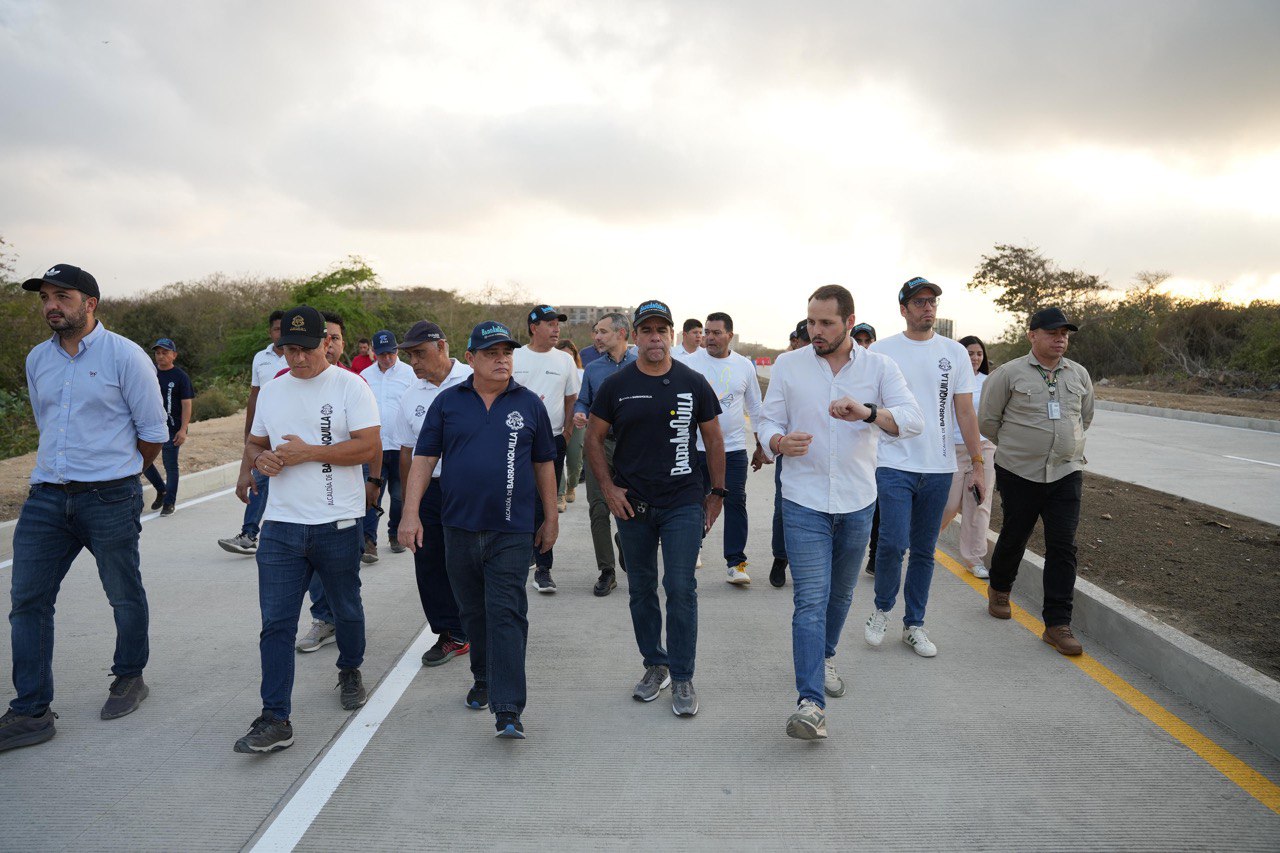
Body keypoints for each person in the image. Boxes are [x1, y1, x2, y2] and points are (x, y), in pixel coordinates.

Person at [2, 264, 168, 752]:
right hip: (47, 498)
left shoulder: (126, 356)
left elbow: (153, 433)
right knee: (27, 601)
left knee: (122, 591)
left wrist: (117, 472)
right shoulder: (38, 359)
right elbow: (44, 420)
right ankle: (31, 710)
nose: (52, 305)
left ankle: (129, 676)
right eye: (46, 297)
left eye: (63, 296)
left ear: (90, 303)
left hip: (110, 496)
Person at [758, 284, 921, 741]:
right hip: (802, 499)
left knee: (840, 596)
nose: (816, 331)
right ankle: (811, 703)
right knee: (809, 598)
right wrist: (776, 442)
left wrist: (868, 413)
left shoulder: (879, 367)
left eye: (826, 323)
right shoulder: (789, 365)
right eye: (811, 321)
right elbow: (769, 420)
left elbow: (912, 420)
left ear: (849, 322)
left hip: (857, 500)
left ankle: (825, 656)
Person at [232, 305, 381, 754]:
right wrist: (260, 461)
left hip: (337, 522)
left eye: (305, 349)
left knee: (346, 608)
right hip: (281, 525)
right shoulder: (274, 391)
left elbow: (369, 447)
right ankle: (275, 717)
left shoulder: (350, 385)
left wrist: (309, 453)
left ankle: (350, 669)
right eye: (288, 350)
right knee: (275, 623)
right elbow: (255, 442)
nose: (296, 359)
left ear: (326, 344)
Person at [400, 321, 558, 739]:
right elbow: (423, 459)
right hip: (458, 527)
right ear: (470, 359)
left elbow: (544, 463)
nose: (501, 359)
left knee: (506, 612)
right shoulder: (448, 403)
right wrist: (409, 513)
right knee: (473, 613)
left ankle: (508, 708)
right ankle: (485, 679)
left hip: (512, 530)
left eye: (506, 352)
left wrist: (551, 517)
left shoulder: (530, 405)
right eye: (491, 353)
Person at [587, 299, 724, 717]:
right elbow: (593, 440)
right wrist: (609, 489)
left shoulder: (693, 382)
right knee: (642, 589)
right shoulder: (616, 385)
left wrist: (717, 493)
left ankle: (682, 675)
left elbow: (714, 440)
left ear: (670, 336)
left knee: (681, 588)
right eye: (647, 331)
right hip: (633, 505)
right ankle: (655, 664)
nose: (655, 338)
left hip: (683, 501)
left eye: (661, 331)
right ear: (636, 336)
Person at [864, 277, 985, 659]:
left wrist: (977, 462)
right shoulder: (882, 353)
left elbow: (964, 410)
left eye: (931, 301)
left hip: (938, 465)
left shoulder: (954, 353)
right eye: (918, 302)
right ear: (903, 309)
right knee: (893, 542)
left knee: (923, 550)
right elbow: (868, 410)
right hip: (893, 462)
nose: (927, 307)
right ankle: (882, 609)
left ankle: (914, 623)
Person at [980, 307, 1094, 656]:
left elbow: (1085, 417)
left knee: (1063, 546)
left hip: (1066, 472)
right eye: (1052, 332)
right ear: (1032, 335)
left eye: (1065, 333)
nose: (1060, 338)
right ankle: (1000, 587)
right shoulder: (1008, 374)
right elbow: (988, 421)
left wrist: (1060, 445)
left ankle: (1057, 623)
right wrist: (1021, 447)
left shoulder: (1079, 375)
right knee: (1016, 534)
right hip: (1019, 473)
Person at [388, 321, 473, 667]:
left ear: (442, 347)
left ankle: (480, 626)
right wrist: (412, 502)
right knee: (429, 561)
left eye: (420, 353)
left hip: (472, 488)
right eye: (409, 356)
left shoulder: (474, 379)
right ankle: (451, 633)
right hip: (432, 489)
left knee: (470, 560)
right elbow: (407, 451)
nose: (415, 363)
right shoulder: (412, 394)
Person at [686, 312, 763, 585]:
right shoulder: (689, 362)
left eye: (716, 332)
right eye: (707, 332)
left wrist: (761, 444)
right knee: (693, 500)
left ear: (730, 335)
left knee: (735, 500)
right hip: (694, 447)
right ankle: (692, 546)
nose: (709, 337)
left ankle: (736, 563)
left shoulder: (744, 366)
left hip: (733, 449)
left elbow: (754, 407)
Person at [513, 305, 581, 593]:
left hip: (551, 440)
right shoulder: (515, 356)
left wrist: (566, 433)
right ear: (533, 327)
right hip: (515, 440)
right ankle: (517, 558)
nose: (556, 329)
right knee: (514, 498)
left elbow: (571, 399)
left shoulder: (564, 361)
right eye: (550, 324)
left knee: (546, 502)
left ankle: (543, 568)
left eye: (558, 325)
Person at [572, 312, 637, 596]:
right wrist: (579, 413)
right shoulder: (594, 369)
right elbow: (583, 400)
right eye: (595, 332)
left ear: (621, 334)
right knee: (598, 507)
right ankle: (606, 570)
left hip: (635, 447)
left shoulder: (642, 365)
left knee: (633, 507)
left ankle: (627, 546)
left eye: (602, 332)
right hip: (599, 444)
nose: (596, 337)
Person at [218, 310, 287, 555]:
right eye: (276, 329)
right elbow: (254, 396)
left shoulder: (297, 355)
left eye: (284, 328)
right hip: (264, 429)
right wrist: (249, 433)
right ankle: (249, 534)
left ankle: (260, 534)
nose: (280, 333)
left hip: (290, 430)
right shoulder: (261, 358)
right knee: (261, 478)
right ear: (270, 332)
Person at [939, 336, 997, 578]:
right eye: (969, 353)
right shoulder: (948, 379)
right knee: (949, 503)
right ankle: (922, 541)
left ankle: (974, 558)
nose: (974, 358)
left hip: (982, 448)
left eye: (978, 354)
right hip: (951, 449)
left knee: (979, 505)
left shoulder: (990, 383)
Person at [360, 329, 416, 561]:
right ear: (374, 353)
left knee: (400, 495)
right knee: (372, 494)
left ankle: (394, 533)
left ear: (397, 350)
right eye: (382, 354)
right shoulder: (364, 376)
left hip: (402, 446)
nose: (387, 358)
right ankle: (369, 541)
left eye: (391, 353)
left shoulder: (410, 374)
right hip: (374, 448)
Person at [766, 319, 812, 588]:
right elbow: (772, 414)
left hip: (826, 453)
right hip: (790, 451)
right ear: (796, 341)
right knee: (783, 507)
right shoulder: (787, 366)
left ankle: (804, 561)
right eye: (804, 339)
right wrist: (775, 442)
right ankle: (780, 557)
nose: (808, 344)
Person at [141, 337, 195, 516]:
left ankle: (169, 502)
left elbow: (187, 404)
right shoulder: (149, 373)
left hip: (172, 427)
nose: (160, 356)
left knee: (170, 465)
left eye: (165, 353)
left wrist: (183, 429)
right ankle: (161, 489)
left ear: (174, 355)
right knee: (142, 461)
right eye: (157, 353)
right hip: (149, 426)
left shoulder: (180, 377)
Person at [850, 324, 882, 574]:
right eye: (857, 339)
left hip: (880, 452)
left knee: (877, 508)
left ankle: (874, 556)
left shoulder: (881, 369)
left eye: (867, 340)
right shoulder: (843, 371)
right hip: (851, 455)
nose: (862, 344)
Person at [555, 339, 586, 512]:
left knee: (575, 459)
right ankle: (559, 494)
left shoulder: (582, 374)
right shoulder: (552, 372)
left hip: (577, 421)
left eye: (570, 355)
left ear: (574, 357)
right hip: (557, 421)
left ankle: (571, 485)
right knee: (557, 456)